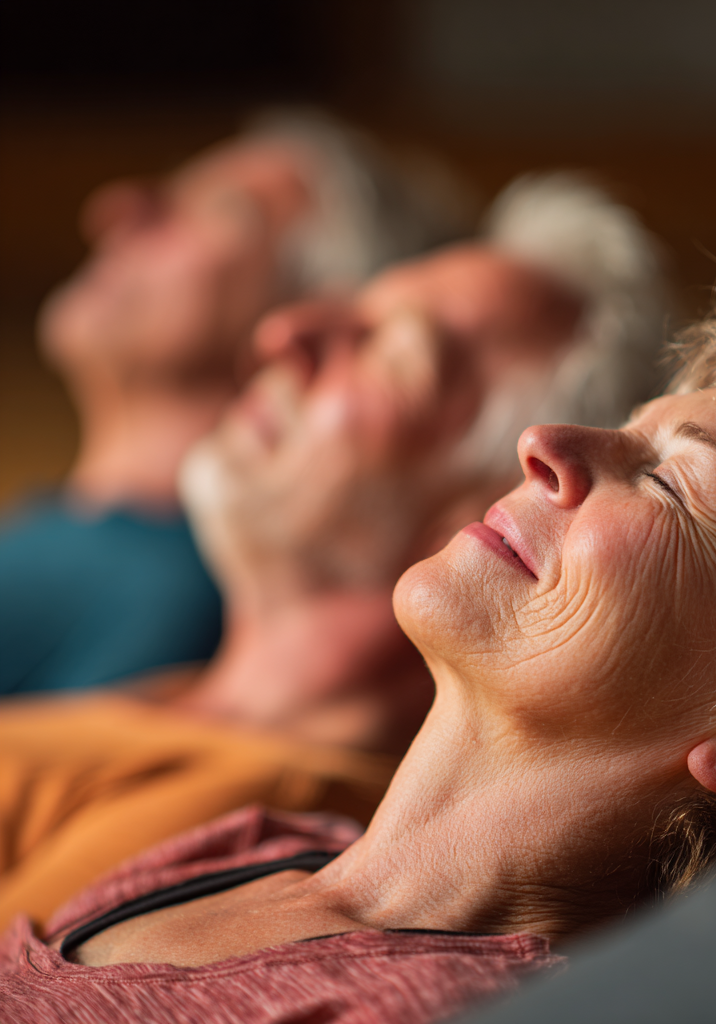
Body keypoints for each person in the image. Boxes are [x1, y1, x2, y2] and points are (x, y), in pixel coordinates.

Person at [3, 258, 716, 1024]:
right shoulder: (251, 844)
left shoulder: (453, 1005)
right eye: (626, 425)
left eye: (668, 479)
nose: (547, 442)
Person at [0, 174, 669, 930]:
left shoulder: (254, 820)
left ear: (483, 511)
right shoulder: (180, 705)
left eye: (390, 352)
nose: (287, 332)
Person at [0, 109, 470, 696]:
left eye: (220, 208)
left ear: (311, 324)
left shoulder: (183, 600)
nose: (120, 207)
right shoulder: (63, 538)